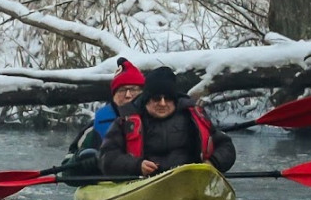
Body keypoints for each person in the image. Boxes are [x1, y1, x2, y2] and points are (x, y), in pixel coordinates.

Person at [99, 66, 236, 177]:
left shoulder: (192, 116)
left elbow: (226, 146)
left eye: (168, 98)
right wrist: (137, 165)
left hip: (190, 178)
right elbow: (107, 158)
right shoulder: (125, 122)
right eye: (156, 99)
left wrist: (213, 162)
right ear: (146, 100)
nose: (163, 103)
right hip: (145, 182)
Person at [60, 57, 145, 179]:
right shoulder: (93, 128)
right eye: (121, 90)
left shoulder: (155, 121)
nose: (128, 95)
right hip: (107, 184)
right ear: (113, 95)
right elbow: (66, 172)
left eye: (133, 89)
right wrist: (80, 160)